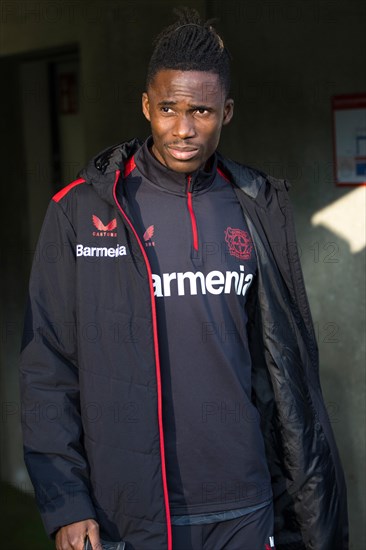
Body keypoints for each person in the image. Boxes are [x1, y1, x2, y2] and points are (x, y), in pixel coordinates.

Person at [19, 7, 348, 550]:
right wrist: (67, 501)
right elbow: (47, 367)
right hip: (130, 512)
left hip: (245, 503)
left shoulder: (258, 206)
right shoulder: (81, 211)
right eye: (168, 108)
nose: (183, 129)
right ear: (146, 105)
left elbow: (283, 370)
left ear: (228, 112)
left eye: (202, 110)